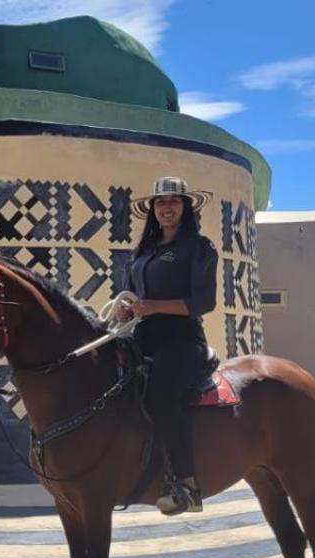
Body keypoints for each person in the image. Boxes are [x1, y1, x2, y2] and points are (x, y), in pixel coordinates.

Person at [117, 176, 218, 515]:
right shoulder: (143, 251)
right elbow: (133, 295)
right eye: (161, 203)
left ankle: (187, 485)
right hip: (143, 333)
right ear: (153, 209)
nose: (167, 208)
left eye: (174, 202)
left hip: (181, 338)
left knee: (159, 393)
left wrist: (153, 306)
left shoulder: (198, 247)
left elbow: (204, 302)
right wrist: (126, 309)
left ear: (185, 207)